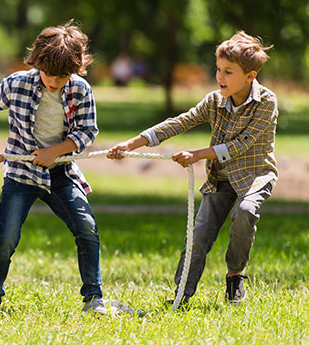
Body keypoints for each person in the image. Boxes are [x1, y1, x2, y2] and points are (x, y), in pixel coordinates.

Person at [108, 31, 277, 306]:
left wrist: (197, 154)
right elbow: (180, 122)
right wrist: (133, 142)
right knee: (198, 236)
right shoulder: (214, 101)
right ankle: (181, 295)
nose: (220, 77)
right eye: (218, 69)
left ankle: (235, 275)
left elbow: (241, 145)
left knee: (245, 212)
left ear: (251, 76)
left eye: (228, 72)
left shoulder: (267, 102)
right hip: (220, 178)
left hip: (255, 175)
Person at [0, 20, 107, 315]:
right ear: (37, 63)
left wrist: (54, 152)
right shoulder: (18, 83)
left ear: (76, 69)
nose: (55, 81)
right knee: (6, 236)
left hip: (61, 173)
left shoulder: (80, 90)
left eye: (63, 76)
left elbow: (87, 132)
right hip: (21, 176)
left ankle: (94, 298)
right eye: (49, 74)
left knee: (86, 227)